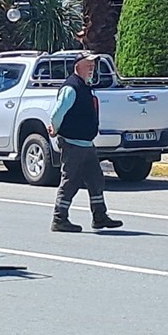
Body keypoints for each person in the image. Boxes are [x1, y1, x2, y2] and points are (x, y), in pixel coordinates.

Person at [47, 53, 123, 232]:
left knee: (95, 179)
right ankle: (59, 219)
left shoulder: (83, 86)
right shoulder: (71, 87)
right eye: (88, 64)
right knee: (70, 180)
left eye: (93, 65)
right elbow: (57, 113)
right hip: (73, 143)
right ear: (77, 66)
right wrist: (55, 129)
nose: (92, 67)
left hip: (86, 144)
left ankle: (99, 216)